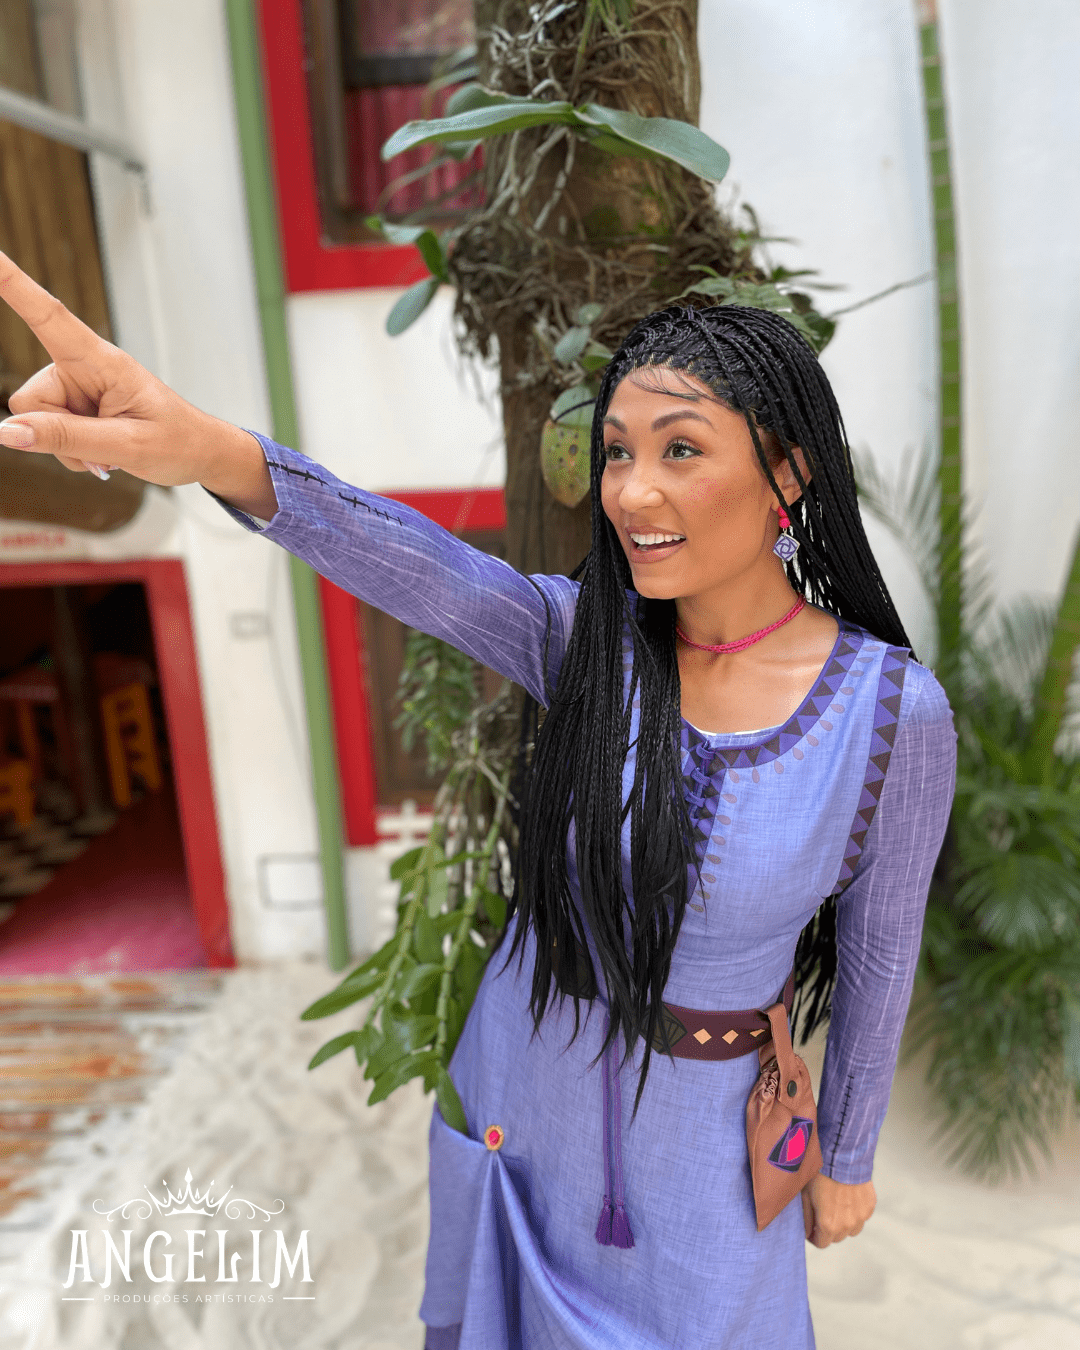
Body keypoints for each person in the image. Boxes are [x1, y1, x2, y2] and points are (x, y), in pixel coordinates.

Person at [0, 256, 955, 1348]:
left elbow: (881, 955)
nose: (631, 492)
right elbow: (416, 567)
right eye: (618, 452)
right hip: (521, 1094)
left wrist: (851, 1154)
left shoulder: (893, 716)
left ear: (787, 473)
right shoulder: (586, 645)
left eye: (681, 450)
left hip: (711, 1145)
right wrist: (211, 452)